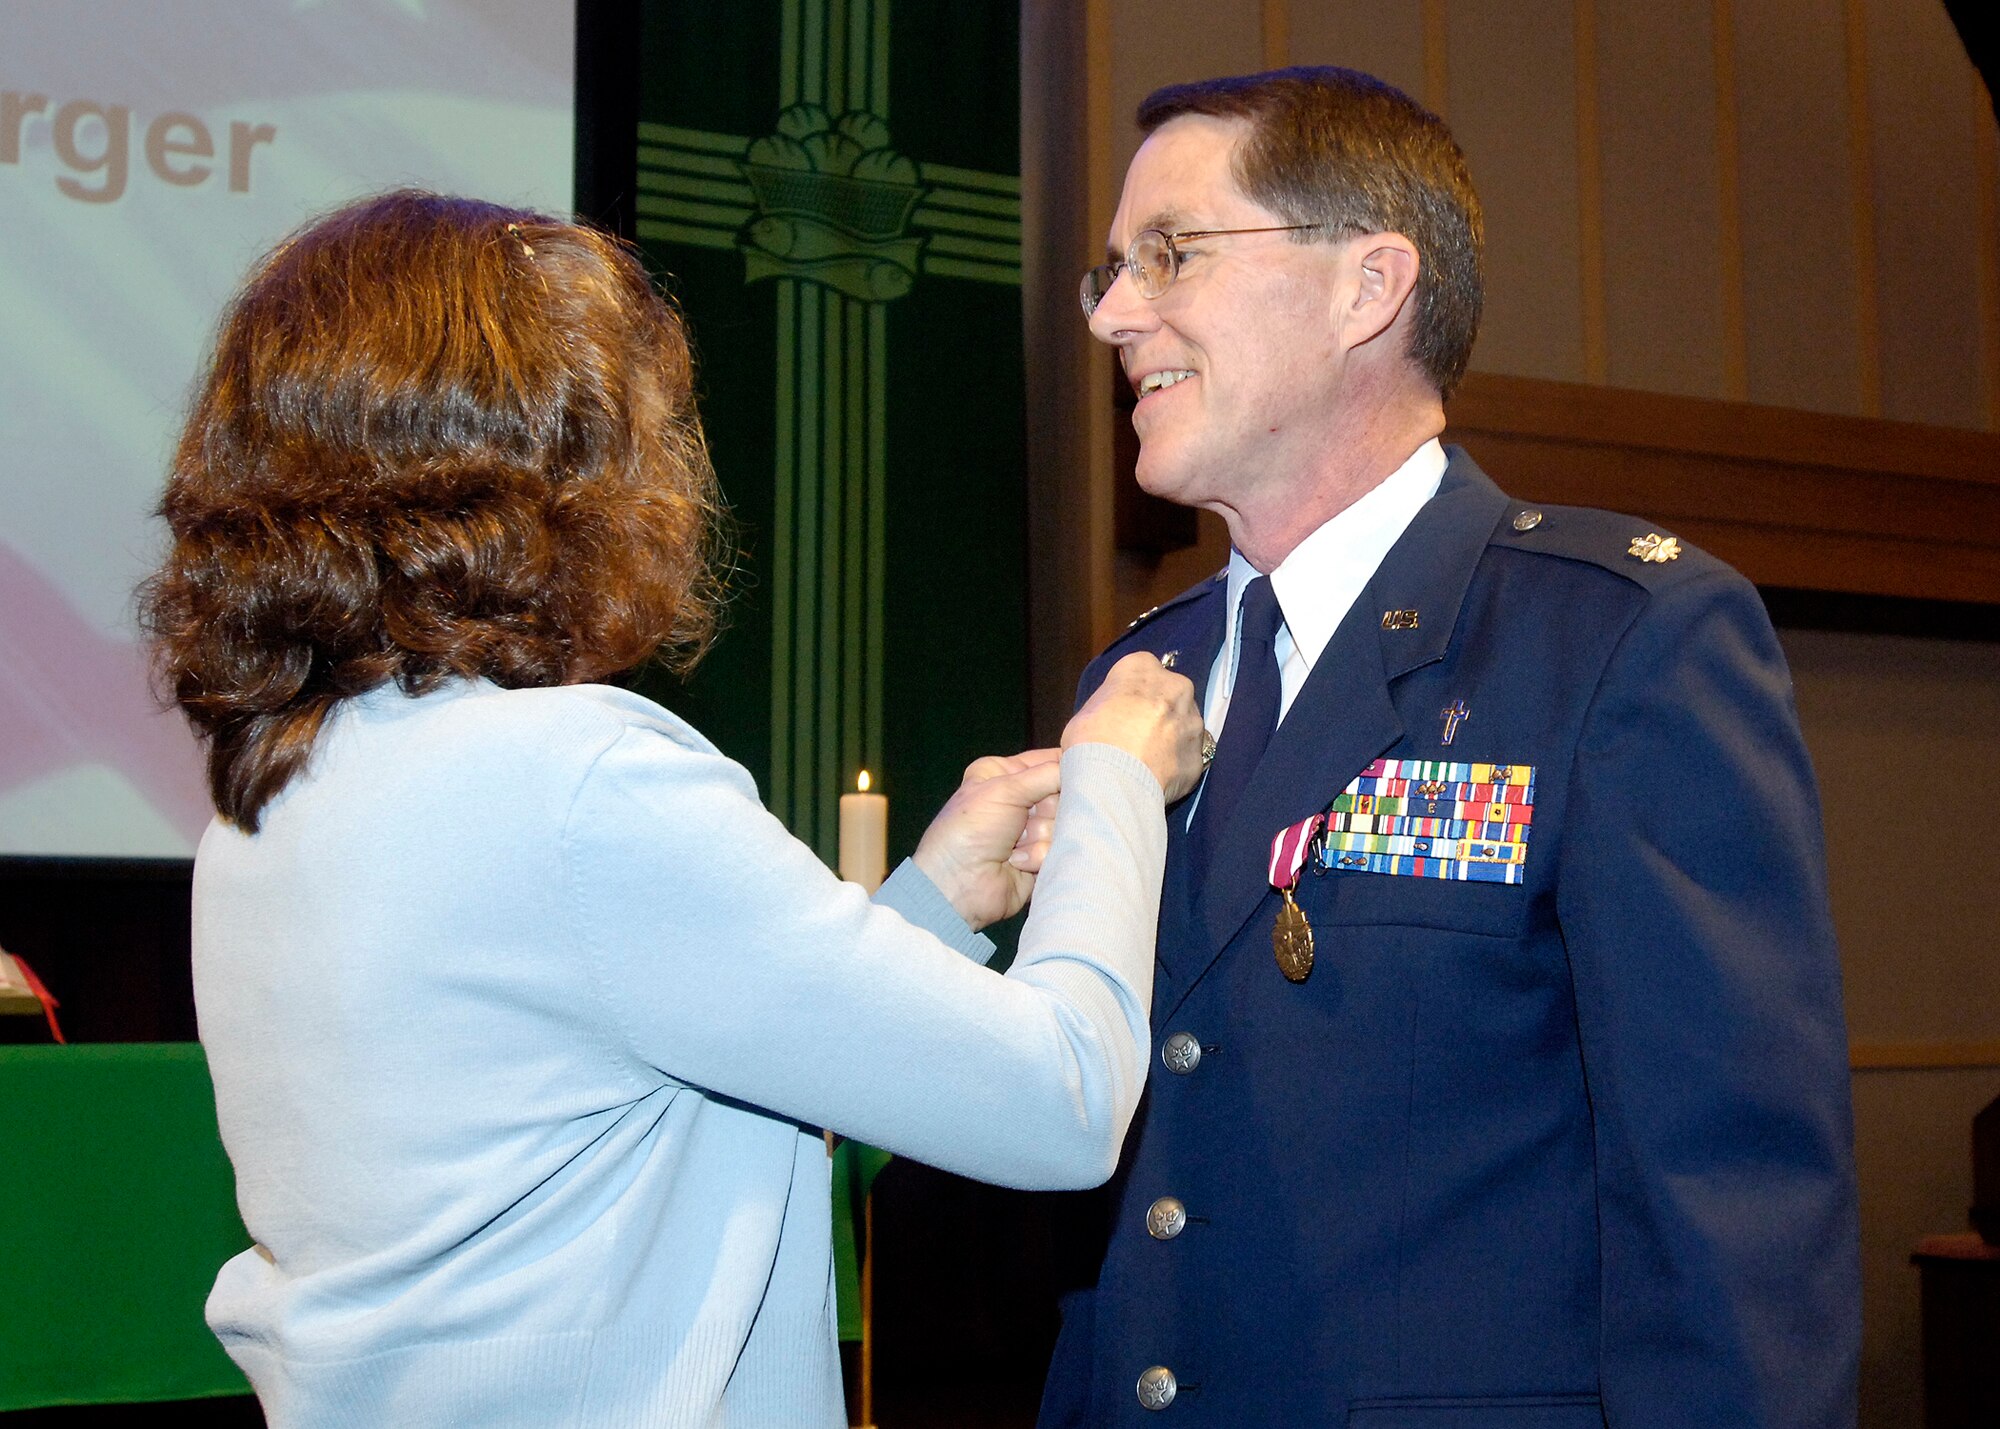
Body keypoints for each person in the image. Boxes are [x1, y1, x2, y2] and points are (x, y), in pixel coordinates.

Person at [141, 189, 1203, 1428]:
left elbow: (637, 1112)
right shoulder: (575, 777)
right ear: (550, 453)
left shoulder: (273, 798)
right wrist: (1118, 781)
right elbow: (1057, 1102)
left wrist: (928, 899)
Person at [1040, 68, 1860, 1426]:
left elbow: (1733, 1214)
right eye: (1111, 273)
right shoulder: (1141, 676)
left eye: (1170, 254)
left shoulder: (1612, 644)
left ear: (1368, 287)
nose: (1119, 313)